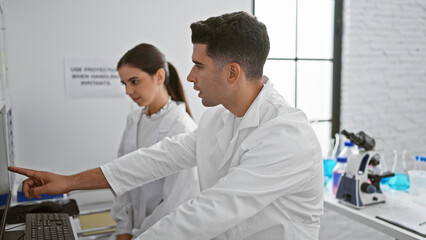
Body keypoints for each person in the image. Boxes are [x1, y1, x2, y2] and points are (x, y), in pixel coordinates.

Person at [9, 11, 324, 239]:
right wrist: (69, 181)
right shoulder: (219, 118)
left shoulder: (287, 136)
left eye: (199, 66)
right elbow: (156, 159)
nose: (188, 76)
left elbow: (210, 210)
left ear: (232, 73)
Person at [111, 43, 199, 240]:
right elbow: (121, 176)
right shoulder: (134, 120)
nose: (128, 91)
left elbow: (175, 203)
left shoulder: (183, 128)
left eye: (134, 81)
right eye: (124, 84)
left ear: (159, 77)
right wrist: (123, 230)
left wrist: (139, 236)